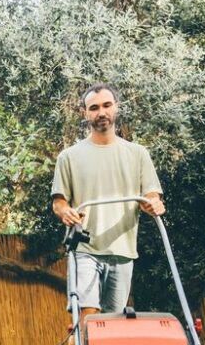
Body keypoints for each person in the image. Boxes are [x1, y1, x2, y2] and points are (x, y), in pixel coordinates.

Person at [50, 83, 165, 317]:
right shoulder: (69, 157)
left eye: (106, 105)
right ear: (85, 113)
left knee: (114, 323)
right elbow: (59, 202)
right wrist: (65, 212)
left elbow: (152, 195)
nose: (101, 112)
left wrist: (153, 204)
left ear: (116, 108)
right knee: (87, 315)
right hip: (85, 248)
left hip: (123, 251)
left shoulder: (138, 154)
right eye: (94, 108)